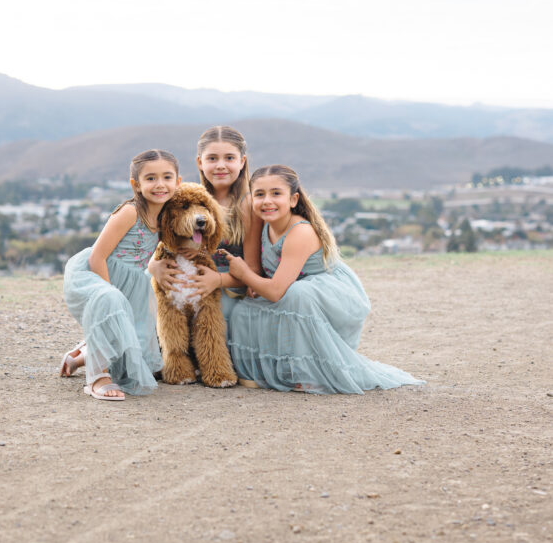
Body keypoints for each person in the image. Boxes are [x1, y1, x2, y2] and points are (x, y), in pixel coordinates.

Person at [220, 164, 424, 394]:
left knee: (296, 295)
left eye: (276, 193)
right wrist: (255, 282)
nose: (267, 200)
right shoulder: (264, 225)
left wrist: (244, 274)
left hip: (327, 295)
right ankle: (266, 368)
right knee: (242, 309)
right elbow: (270, 277)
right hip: (289, 288)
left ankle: (306, 372)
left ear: (294, 199)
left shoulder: (300, 232)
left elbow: (276, 291)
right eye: (259, 194)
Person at [61, 149, 181, 401]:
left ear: (178, 182)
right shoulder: (130, 212)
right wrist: (110, 292)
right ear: (135, 185)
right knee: (112, 306)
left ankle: (78, 357)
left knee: (130, 345)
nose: (160, 184)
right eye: (150, 179)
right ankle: (97, 378)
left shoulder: (166, 216)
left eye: (167, 177)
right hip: (97, 274)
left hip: (134, 283)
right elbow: (97, 257)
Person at [149, 126, 261, 324]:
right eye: (212, 159)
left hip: (228, 286)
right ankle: (102, 345)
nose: (220, 165)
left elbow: (253, 269)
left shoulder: (247, 205)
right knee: (146, 300)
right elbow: (163, 242)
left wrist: (217, 280)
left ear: (242, 162)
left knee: (207, 315)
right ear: (200, 162)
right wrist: (153, 266)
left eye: (229, 158)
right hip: (188, 275)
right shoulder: (189, 198)